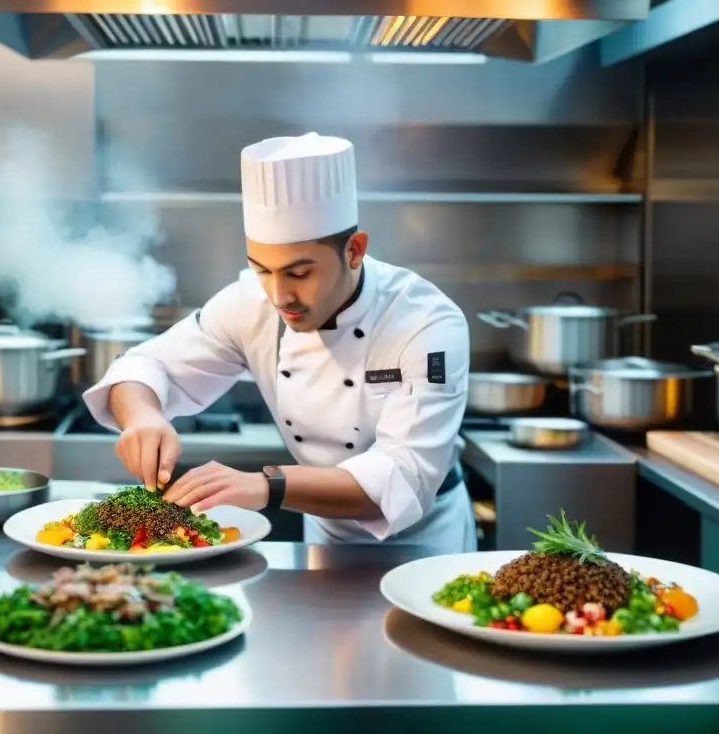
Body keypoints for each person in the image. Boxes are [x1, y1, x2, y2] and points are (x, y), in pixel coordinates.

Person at [84, 132, 475, 551]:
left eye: (299, 273)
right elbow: (146, 366)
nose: (279, 296)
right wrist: (143, 416)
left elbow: (404, 476)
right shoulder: (250, 303)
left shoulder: (427, 324)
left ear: (354, 251)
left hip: (425, 540)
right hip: (324, 532)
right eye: (261, 269)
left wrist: (268, 486)